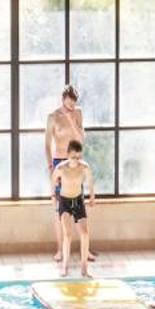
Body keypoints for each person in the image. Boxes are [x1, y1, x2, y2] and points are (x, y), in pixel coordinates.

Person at [44, 86, 86, 265]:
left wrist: (71, 119)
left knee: (78, 204)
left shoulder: (77, 113)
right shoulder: (52, 117)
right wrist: (50, 167)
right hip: (58, 162)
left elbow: (81, 139)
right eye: (70, 100)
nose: (72, 103)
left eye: (74, 100)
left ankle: (85, 248)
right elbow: (47, 144)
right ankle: (60, 249)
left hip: (74, 162)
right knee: (60, 208)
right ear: (63, 99)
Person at [51, 140, 96, 277]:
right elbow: (53, 181)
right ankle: (65, 267)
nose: (76, 160)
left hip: (78, 201)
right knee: (68, 235)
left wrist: (92, 197)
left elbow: (90, 182)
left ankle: (84, 268)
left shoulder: (84, 167)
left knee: (84, 233)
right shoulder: (61, 168)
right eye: (73, 157)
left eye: (78, 157)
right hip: (64, 201)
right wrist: (53, 197)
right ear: (67, 154)